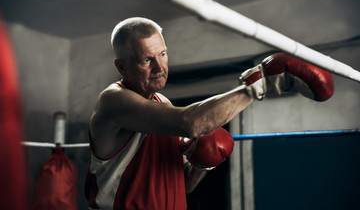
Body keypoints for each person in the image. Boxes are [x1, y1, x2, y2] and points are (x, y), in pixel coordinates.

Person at [85, 17, 334, 210]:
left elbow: (185, 185)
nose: (160, 67)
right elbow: (189, 122)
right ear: (122, 66)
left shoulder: (163, 103)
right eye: (146, 60)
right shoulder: (113, 101)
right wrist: (261, 85)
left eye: (162, 54)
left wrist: (201, 162)